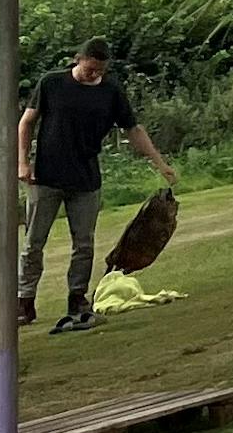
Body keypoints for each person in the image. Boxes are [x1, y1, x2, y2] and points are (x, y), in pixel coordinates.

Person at [15, 37, 171, 335]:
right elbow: (26, 122)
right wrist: (23, 162)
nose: (93, 75)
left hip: (85, 179)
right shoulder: (51, 83)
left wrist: (159, 162)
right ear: (78, 60)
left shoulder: (111, 92)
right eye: (89, 69)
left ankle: (77, 298)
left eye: (99, 70)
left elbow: (133, 129)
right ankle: (25, 300)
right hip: (46, 177)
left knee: (83, 243)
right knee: (34, 242)